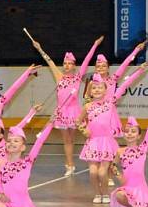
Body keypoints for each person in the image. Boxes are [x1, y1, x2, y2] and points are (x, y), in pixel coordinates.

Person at [31, 36, 103, 175]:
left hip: (75, 112)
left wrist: (94, 45)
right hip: (62, 112)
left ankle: (99, 160)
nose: (67, 65)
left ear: (74, 65)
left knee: (78, 138)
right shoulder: (59, 76)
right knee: (67, 140)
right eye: (65, 63)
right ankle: (69, 165)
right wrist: (39, 48)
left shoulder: (77, 77)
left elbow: (87, 60)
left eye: (70, 63)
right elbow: (49, 60)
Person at [78, 64, 148, 204]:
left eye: (100, 88)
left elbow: (125, 84)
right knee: (93, 172)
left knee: (102, 172)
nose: (97, 90)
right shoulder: (87, 106)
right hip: (93, 142)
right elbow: (78, 121)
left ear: (105, 90)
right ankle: (97, 194)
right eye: (94, 88)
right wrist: (83, 130)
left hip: (106, 142)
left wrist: (139, 70)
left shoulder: (110, 103)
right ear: (90, 92)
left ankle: (105, 194)